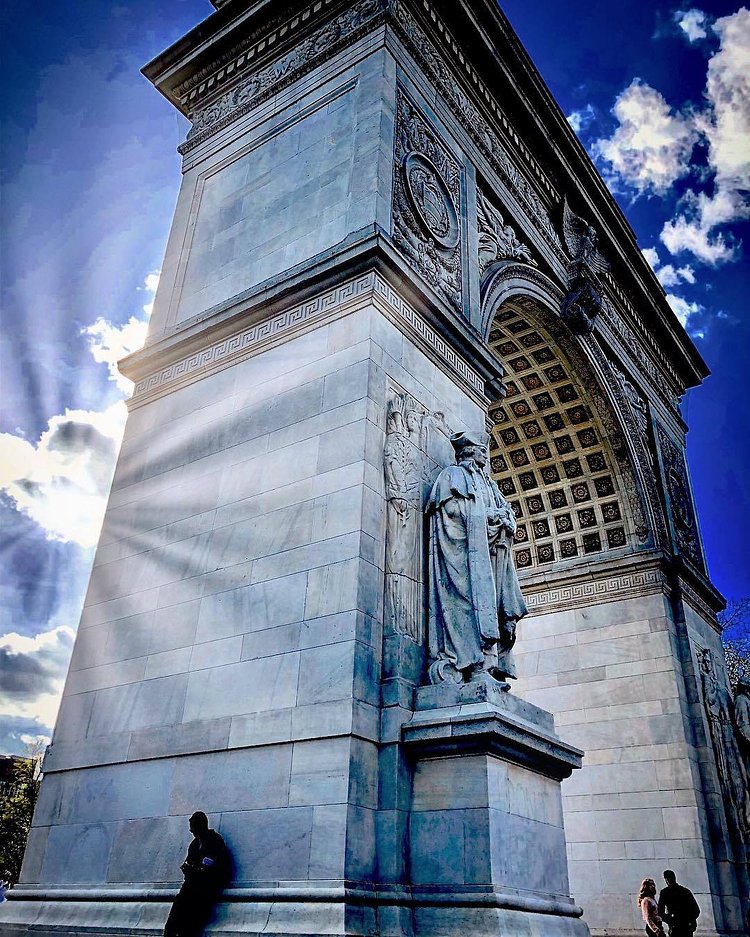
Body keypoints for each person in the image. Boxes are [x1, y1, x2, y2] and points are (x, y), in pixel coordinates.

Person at [426, 430, 527, 684]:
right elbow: (450, 511)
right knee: (469, 608)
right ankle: (472, 666)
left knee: (493, 607)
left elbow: (506, 510)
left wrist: (505, 520)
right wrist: (488, 518)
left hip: (491, 557)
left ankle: (490, 666)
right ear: (469, 451)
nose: (485, 453)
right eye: (482, 449)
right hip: (465, 559)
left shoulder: (490, 484)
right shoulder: (453, 476)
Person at [163, 811, 230, 937]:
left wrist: (197, 869)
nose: (191, 831)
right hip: (189, 887)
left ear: (201, 826)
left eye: (193, 827)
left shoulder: (215, 841)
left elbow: (216, 868)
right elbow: (189, 862)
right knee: (172, 921)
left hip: (204, 890)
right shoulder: (194, 844)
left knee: (189, 925)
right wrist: (188, 868)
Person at [657, 870, 700, 936]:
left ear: (674, 878)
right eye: (666, 879)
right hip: (677, 926)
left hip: (685, 925)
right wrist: (670, 921)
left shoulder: (685, 891)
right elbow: (660, 911)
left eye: (669, 878)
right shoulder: (665, 892)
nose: (668, 881)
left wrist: (689, 920)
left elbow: (696, 910)